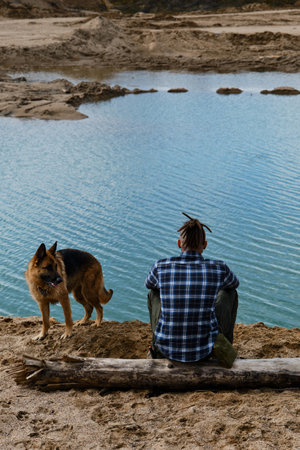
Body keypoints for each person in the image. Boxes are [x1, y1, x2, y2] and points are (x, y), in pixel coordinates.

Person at [145, 212, 239, 362]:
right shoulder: (219, 268)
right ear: (205, 245)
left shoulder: (160, 266)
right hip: (205, 351)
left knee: (153, 293)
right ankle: (223, 348)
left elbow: (149, 284)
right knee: (230, 293)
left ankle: (156, 345)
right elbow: (234, 284)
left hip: (167, 350)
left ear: (179, 243)